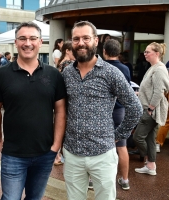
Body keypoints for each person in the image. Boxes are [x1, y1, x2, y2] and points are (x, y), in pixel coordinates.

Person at [62, 21, 142, 200]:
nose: (81, 43)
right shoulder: (67, 73)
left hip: (103, 154)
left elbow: (135, 107)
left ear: (96, 41)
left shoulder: (110, 72)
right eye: (76, 39)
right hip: (72, 153)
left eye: (86, 38)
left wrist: (119, 134)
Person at [0, 21, 66, 199]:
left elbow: (61, 111)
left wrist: (56, 145)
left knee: (34, 198)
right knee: (10, 198)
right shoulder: (1, 74)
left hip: (45, 153)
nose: (27, 43)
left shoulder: (53, 75)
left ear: (40, 42)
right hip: (13, 153)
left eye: (33, 38)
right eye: (22, 38)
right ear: (16, 42)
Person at [133, 42, 169, 176]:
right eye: (145, 51)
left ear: (157, 54)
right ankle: (151, 166)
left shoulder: (159, 69)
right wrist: (139, 94)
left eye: (148, 52)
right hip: (150, 108)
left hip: (151, 110)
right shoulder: (153, 67)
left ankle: (149, 162)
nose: (145, 54)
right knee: (149, 139)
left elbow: (160, 91)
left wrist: (150, 109)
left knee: (138, 137)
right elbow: (151, 88)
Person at [103, 39, 131, 190]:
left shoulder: (101, 67)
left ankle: (92, 181)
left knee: (99, 146)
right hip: (120, 110)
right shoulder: (125, 69)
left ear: (104, 52)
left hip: (104, 111)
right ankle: (125, 180)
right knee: (122, 147)